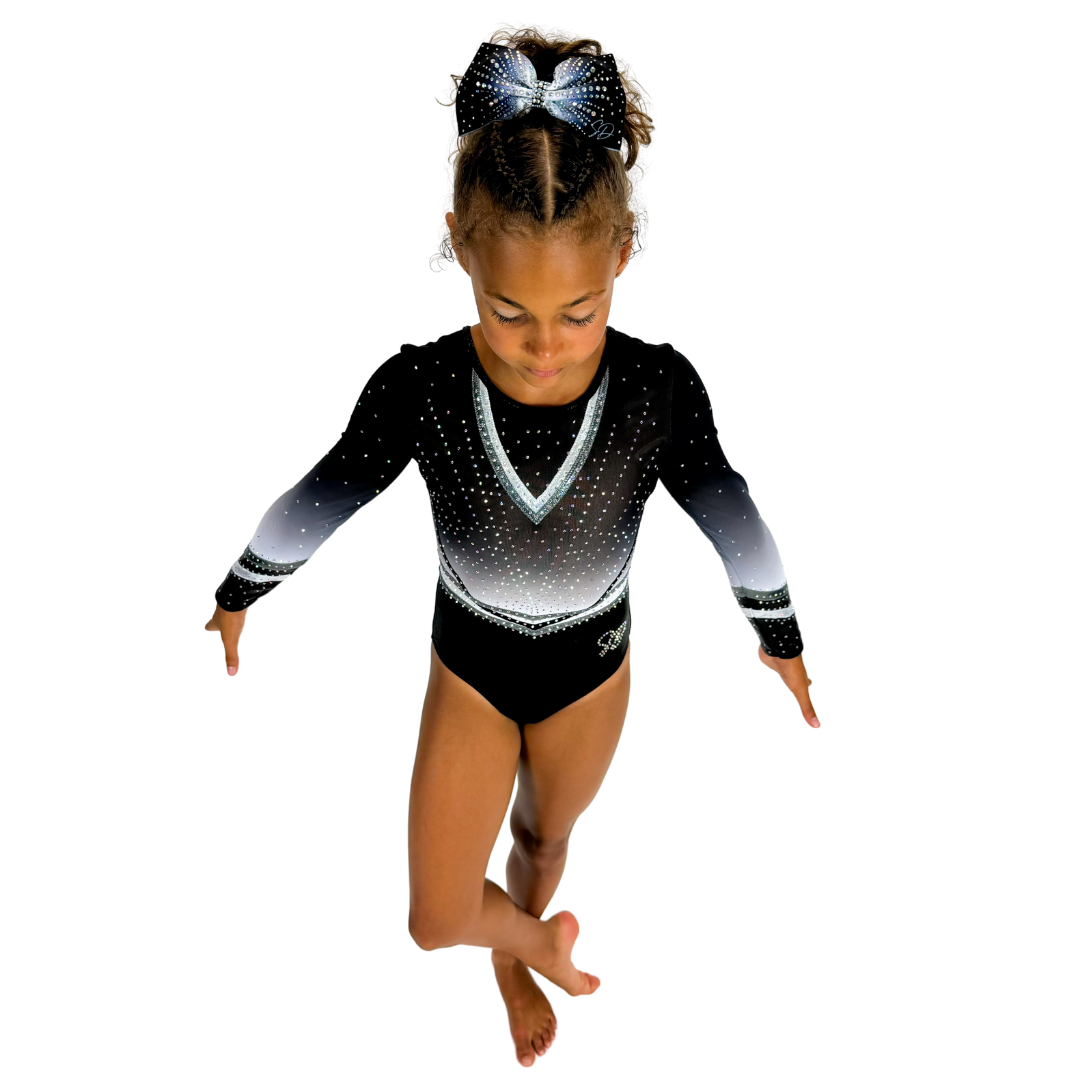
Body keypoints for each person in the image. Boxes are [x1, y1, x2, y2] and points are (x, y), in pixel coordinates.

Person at [205, 28, 818, 1068]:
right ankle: (529, 944)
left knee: (543, 838)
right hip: (472, 670)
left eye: (579, 313)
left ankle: (514, 960)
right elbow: (329, 490)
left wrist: (782, 638)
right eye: (507, 311)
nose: (543, 346)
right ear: (459, 244)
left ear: (622, 254)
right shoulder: (421, 388)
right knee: (436, 914)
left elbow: (733, 515)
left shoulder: (659, 390)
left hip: (590, 672)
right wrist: (241, 590)